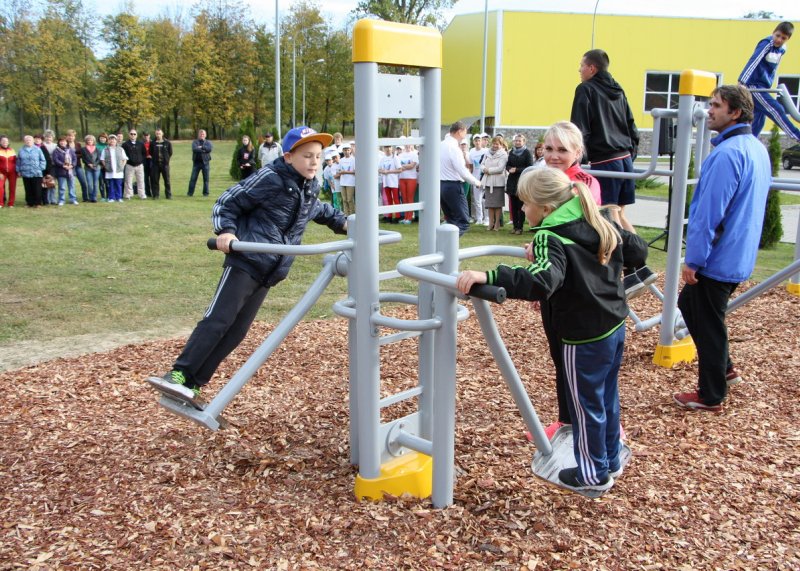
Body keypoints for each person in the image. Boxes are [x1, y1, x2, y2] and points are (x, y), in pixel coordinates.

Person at [456, 167, 647, 493]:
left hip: (582, 335)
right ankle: (610, 457)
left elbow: (542, 281)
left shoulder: (549, 236)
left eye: (524, 204)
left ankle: (592, 473)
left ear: (544, 208)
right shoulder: (594, 220)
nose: (522, 210)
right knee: (607, 397)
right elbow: (638, 251)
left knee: (584, 406)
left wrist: (490, 276)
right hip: (614, 324)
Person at [147, 126, 347, 402]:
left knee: (237, 332)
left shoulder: (309, 186)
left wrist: (346, 224)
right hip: (247, 261)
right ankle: (178, 374)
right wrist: (226, 231)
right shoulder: (271, 177)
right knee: (219, 320)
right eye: (307, 156)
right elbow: (227, 201)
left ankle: (193, 385)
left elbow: (320, 210)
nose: (314, 162)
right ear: (288, 157)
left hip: (271, 270)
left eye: (318, 156)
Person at [673, 85, 771, 412]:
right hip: (738, 253)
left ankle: (710, 394)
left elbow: (708, 213)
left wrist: (694, 260)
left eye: (716, 105)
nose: (709, 110)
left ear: (735, 113)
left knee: (708, 320)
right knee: (691, 306)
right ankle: (725, 368)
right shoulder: (755, 148)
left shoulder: (728, 154)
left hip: (718, 258)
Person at [570, 49, 639, 233]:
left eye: (581, 66)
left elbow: (579, 127)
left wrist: (576, 160)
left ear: (592, 68)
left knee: (608, 214)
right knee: (620, 214)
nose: (579, 70)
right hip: (624, 159)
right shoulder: (618, 89)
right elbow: (631, 124)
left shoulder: (585, 89)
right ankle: (638, 260)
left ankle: (620, 258)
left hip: (605, 160)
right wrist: (632, 153)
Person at [739, 21, 800, 141]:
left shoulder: (782, 49)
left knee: (758, 119)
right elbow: (754, 61)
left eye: (783, 38)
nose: (779, 40)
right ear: (773, 32)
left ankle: (750, 142)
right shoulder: (767, 44)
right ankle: (796, 135)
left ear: (788, 39)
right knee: (776, 109)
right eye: (777, 35)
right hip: (754, 85)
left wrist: (769, 84)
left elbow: (773, 68)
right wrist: (742, 82)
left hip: (764, 87)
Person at [440, 121, 482, 235]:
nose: (466, 134)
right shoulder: (454, 148)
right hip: (453, 186)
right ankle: (446, 245)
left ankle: (443, 247)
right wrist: (476, 182)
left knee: (451, 220)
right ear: (459, 131)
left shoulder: (440, 145)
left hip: (441, 185)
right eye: (465, 131)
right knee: (463, 222)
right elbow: (462, 171)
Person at [506, 134, 534, 234]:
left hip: (522, 180)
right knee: (513, 206)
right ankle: (514, 226)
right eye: (516, 140)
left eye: (519, 141)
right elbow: (507, 165)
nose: (517, 142)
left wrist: (517, 170)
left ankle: (520, 227)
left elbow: (530, 167)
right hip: (512, 181)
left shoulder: (527, 153)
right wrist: (509, 169)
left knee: (520, 206)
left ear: (523, 142)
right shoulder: (511, 152)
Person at [481, 136, 508, 231]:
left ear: (501, 145)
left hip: (498, 182)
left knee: (497, 204)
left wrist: (489, 170)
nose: (495, 145)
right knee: (490, 204)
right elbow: (482, 164)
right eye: (494, 143)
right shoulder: (487, 152)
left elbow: (500, 168)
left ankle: (497, 223)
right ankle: (490, 223)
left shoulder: (503, 154)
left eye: (497, 144)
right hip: (488, 181)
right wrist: (484, 169)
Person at [16, 135, 46, 207]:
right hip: (25, 172)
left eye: (30, 140)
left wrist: (40, 168)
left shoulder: (38, 149)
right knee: (28, 189)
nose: (28, 141)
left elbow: (43, 160)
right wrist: (18, 170)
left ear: (33, 141)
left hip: (36, 173)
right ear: (24, 141)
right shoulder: (21, 150)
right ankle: (29, 203)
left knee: (37, 189)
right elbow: (18, 161)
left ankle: (37, 203)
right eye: (27, 140)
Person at [52, 136, 78, 206]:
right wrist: (63, 165)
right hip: (61, 171)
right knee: (62, 187)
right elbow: (55, 160)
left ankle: (73, 199)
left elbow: (75, 159)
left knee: (72, 186)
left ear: (66, 142)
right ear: (58, 142)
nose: (62, 142)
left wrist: (72, 165)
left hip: (71, 171)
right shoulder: (56, 151)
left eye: (64, 141)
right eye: (61, 141)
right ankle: (61, 200)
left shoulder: (70, 150)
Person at [101, 135, 127, 203]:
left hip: (118, 170)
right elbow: (102, 159)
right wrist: (106, 166)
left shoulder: (120, 149)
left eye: (114, 139)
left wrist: (122, 166)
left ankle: (119, 197)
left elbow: (125, 159)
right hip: (110, 170)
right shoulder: (105, 149)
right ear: (108, 141)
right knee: (111, 184)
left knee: (118, 184)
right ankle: (111, 197)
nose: (112, 141)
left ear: (116, 141)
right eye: (111, 139)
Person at [121, 128, 147, 200]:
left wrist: (141, 161)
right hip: (129, 165)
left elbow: (144, 153)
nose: (133, 135)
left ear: (136, 135)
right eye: (131, 134)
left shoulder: (141, 144)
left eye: (134, 134)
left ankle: (142, 194)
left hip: (139, 165)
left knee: (141, 180)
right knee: (128, 180)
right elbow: (123, 155)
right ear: (129, 135)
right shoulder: (125, 144)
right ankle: (128, 194)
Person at [468, 133, 487, 225]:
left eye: (479, 140)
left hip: (484, 177)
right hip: (475, 178)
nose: (477, 142)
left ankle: (486, 218)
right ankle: (479, 218)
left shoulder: (485, 151)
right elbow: (471, 166)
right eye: (476, 140)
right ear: (473, 142)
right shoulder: (471, 151)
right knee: (476, 200)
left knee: (485, 200)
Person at [398, 142, 418, 224]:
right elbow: (398, 166)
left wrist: (403, 166)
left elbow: (412, 166)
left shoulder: (414, 154)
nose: (408, 146)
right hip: (402, 178)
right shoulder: (400, 155)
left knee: (410, 198)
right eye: (406, 144)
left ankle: (409, 217)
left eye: (409, 144)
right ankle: (405, 217)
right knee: (404, 198)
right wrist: (407, 166)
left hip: (411, 178)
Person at [188, 129, 213, 197]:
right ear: (198, 135)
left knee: (206, 179)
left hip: (205, 163)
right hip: (196, 163)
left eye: (203, 134)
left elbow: (209, 149)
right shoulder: (195, 142)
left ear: (205, 135)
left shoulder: (208, 142)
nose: (202, 135)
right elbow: (194, 149)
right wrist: (204, 150)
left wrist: (201, 147)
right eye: (201, 134)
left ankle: (206, 193)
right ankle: (190, 193)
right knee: (193, 179)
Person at [65, 130, 88, 202]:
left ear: (74, 137)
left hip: (78, 165)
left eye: (72, 136)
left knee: (83, 182)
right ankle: (73, 198)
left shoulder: (78, 144)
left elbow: (82, 154)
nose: (71, 137)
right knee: (72, 183)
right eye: (69, 136)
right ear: (67, 136)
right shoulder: (64, 144)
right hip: (69, 167)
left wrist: (74, 155)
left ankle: (85, 198)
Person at [150, 128, 173, 199]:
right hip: (155, 165)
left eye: (159, 133)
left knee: (167, 180)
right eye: (157, 134)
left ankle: (168, 195)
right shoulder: (153, 143)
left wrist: (166, 159)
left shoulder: (167, 142)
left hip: (165, 165)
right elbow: (151, 152)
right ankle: (156, 195)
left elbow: (170, 152)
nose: (158, 135)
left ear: (162, 134)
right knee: (155, 180)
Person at [337, 143, 356, 216]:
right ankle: (346, 215)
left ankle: (352, 214)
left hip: (350, 182)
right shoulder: (341, 160)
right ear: (343, 151)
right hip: (343, 182)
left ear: (350, 150)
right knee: (344, 200)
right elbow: (339, 170)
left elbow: (355, 172)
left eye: (348, 150)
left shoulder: (353, 159)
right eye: (345, 150)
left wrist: (345, 172)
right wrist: (339, 173)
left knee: (349, 200)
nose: (346, 151)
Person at [81, 135, 101, 202]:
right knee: (89, 183)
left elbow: (99, 159)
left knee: (95, 183)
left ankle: (94, 197)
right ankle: (90, 196)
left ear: (93, 141)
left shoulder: (97, 149)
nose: (90, 141)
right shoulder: (83, 149)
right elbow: (83, 159)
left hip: (96, 168)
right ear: (86, 141)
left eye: (91, 140)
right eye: (88, 140)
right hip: (88, 168)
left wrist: (95, 164)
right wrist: (88, 164)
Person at [0, 135, 17, 208]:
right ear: (0, 142)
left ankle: (11, 203)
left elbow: (16, 161)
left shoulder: (12, 150)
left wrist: (18, 171)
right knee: (0, 187)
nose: (5, 142)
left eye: (6, 141)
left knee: (12, 188)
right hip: (1, 173)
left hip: (12, 172)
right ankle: (1, 203)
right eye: (3, 141)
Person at [96, 133, 109, 201]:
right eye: (101, 138)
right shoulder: (96, 146)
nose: (102, 139)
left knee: (107, 182)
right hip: (99, 167)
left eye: (104, 138)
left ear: (106, 139)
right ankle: (103, 197)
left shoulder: (108, 146)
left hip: (107, 167)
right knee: (101, 182)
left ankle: (108, 196)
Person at [142, 132, 153, 197]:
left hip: (151, 160)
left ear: (149, 136)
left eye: (147, 135)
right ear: (143, 136)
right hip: (145, 161)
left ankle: (153, 191)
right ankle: (147, 192)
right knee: (145, 177)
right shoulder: (142, 143)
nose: (146, 137)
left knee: (152, 177)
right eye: (145, 136)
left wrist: (151, 156)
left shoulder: (152, 143)